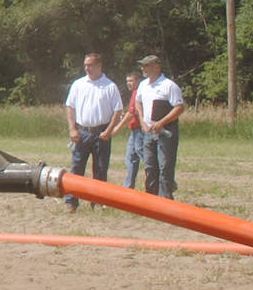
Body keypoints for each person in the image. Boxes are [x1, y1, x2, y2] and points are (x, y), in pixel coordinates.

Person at [62, 53, 122, 211]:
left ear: (99, 66)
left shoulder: (109, 86)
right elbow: (70, 107)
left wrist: (108, 131)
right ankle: (71, 202)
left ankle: (98, 202)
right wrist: (72, 129)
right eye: (85, 65)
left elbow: (117, 110)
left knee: (100, 169)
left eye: (90, 65)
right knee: (76, 168)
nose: (87, 68)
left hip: (101, 133)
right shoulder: (78, 84)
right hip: (81, 133)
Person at [135, 55, 185, 199]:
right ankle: (151, 198)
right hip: (149, 132)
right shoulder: (143, 85)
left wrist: (161, 122)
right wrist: (143, 121)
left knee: (165, 166)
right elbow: (138, 102)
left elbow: (179, 107)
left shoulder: (169, 86)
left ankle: (165, 199)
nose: (143, 69)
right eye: (142, 66)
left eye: (146, 65)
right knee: (150, 165)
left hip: (166, 132)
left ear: (157, 67)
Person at [120, 71, 144, 189]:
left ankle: (167, 182)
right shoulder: (136, 92)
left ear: (138, 81)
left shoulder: (138, 92)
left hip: (140, 131)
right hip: (134, 130)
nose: (128, 83)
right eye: (127, 81)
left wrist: (117, 127)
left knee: (146, 158)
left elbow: (131, 113)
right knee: (130, 158)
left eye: (131, 81)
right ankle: (128, 187)